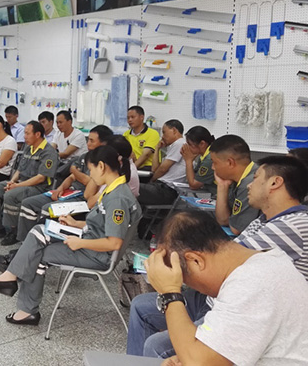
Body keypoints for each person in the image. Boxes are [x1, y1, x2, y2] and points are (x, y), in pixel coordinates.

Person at [128, 156, 308, 358]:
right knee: (143, 308)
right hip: (222, 299)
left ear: (275, 183)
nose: (250, 185)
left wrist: (171, 293)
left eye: (256, 177)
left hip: (228, 303)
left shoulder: (294, 228)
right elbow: (227, 250)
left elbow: (225, 258)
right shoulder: (264, 232)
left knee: (157, 346)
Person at [0, 145, 141, 325]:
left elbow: (114, 243)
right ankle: (16, 289)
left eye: (91, 169)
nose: (90, 175)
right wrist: (75, 223)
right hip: (90, 240)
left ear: (101, 166)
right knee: (40, 233)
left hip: (96, 253)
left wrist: (80, 243)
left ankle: (22, 301)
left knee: (37, 250)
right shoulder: (113, 190)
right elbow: (103, 226)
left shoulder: (117, 199)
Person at [137, 211, 308, 365]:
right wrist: (192, 354)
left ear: (196, 261)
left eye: (183, 280)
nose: (193, 289)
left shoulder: (251, 284)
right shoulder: (264, 263)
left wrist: (169, 293)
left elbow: (199, 364)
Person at [13, 125, 113, 246]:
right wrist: (60, 188)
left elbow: (88, 183)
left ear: (103, 143)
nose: (88, 144)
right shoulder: (84, 157)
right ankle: (24, 242)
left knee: (48, 209)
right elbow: (71, 177)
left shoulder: (105, 164)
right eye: (88, 140)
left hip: (81, 198)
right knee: (28, 203)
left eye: (92, 141)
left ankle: (39, 245)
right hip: (68, 191)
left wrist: (75, 171)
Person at [0, 121, 58, 244]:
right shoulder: (28, 148)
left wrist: (16, 186)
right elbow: (19, 169)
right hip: (21, 183)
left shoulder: (49, 152)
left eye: (27, 133)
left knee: (11, 195)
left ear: (37, 134)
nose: (24, 137)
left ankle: (13, 232)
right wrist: (12, 182)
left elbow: (41, 178)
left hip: (38, 187)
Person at [211, 135, 260, 235]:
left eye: (214, 162)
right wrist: (222, 186)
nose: (213, 167)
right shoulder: (239, 179)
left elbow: (237, 229)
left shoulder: (251, 183)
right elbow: (223, 220)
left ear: (230, 163)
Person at [137, 119, 186, 206]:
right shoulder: (173, 146)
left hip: (167, 190)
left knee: (128, 188)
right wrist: (157, 149)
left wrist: (152, 181)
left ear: (174, 130)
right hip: (161, 187)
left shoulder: (180, 143)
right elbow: (155, 169)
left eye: (164, 132)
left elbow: (163, 169)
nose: (162, 136)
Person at [180, 126, 216, 193]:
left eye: (190, 145)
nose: (188, 148)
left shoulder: (209, 159)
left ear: (202, 144)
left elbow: (193, 185)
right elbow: (195, 176)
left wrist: (188, 161)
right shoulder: (203, 155)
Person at [123, 106, 160, 170]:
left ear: (141, 117)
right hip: (131, 166)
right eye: (128, 118)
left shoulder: (153, 133)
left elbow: (146, 154)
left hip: (146, 168)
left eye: (132, 117)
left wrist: (133, 169)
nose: (130, 120)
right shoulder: (126, 134)